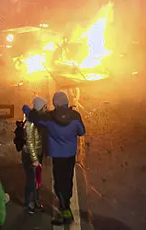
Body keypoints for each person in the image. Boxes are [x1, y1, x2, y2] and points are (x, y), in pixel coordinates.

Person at [28, 91, 86, 225]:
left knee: (59, 182)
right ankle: (67, 200)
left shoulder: (50, 118)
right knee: (68, 178)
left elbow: (35, 118)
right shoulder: (75, 116)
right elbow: (82, 132)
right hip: (70, 155)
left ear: (55, 103)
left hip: (58, 155)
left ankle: (65, 211)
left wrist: (27, 109)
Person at [20, 96, 46, 214]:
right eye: (45, 107)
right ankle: (28, 203)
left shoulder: (39, 119)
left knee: (37, 180)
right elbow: (29, 142)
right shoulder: (30, 123)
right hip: (30, 156)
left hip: (37, 154)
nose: (47, 108)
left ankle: (35, 201)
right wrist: (35, 159)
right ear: (40, 108)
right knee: (31, 180)